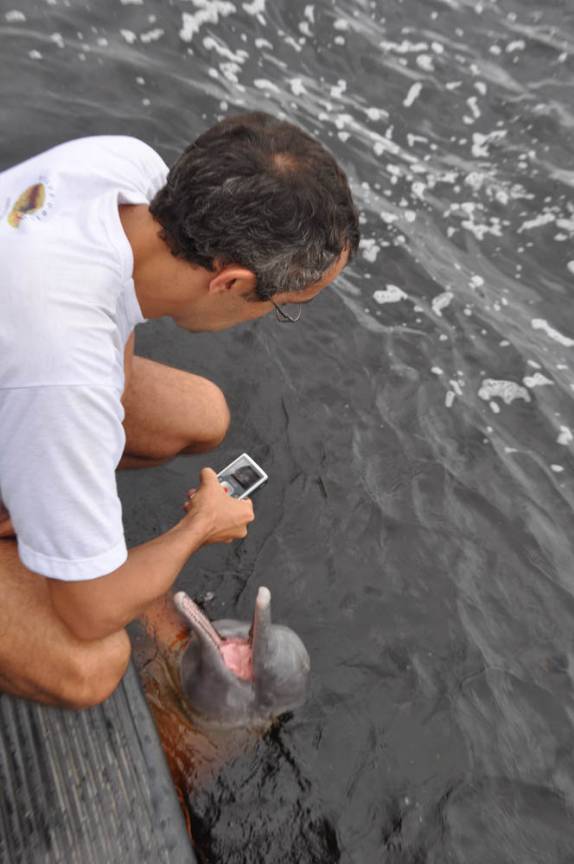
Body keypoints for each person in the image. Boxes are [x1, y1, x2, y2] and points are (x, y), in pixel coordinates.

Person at [0, 112, 359, 709]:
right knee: (91, 664)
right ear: (231, 283)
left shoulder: (129, 169)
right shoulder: (66, 367)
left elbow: (100, 340)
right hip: (38, 361)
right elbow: (89, 613)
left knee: (201, 414)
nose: (276, 317)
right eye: (284, 306)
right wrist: (197, 529)